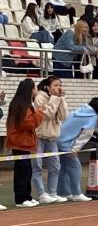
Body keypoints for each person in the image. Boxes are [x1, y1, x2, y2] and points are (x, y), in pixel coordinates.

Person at [6, 79, 43, 208]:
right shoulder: (21, 105)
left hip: (24, 142)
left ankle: (27, 196)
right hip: (19, 142)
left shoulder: (25, 104)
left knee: (27, 169)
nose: (37, 89)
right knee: (22, 170)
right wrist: (39, 112)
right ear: (30, 89)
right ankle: (20, 199)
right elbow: (28, 124)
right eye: (35, 87)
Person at [32, 76, 68, 204]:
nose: (58, 88)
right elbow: (47, 115)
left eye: (60, 85)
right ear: (48, 87)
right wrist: (54, 98)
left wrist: (61, 99)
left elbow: (64, 116)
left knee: (55, 166)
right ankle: (42, 194)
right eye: (55, 85)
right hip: (39, 137)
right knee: (37, 166)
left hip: (52, 138)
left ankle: (52, 193)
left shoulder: (57, 98)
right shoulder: (39, 98)